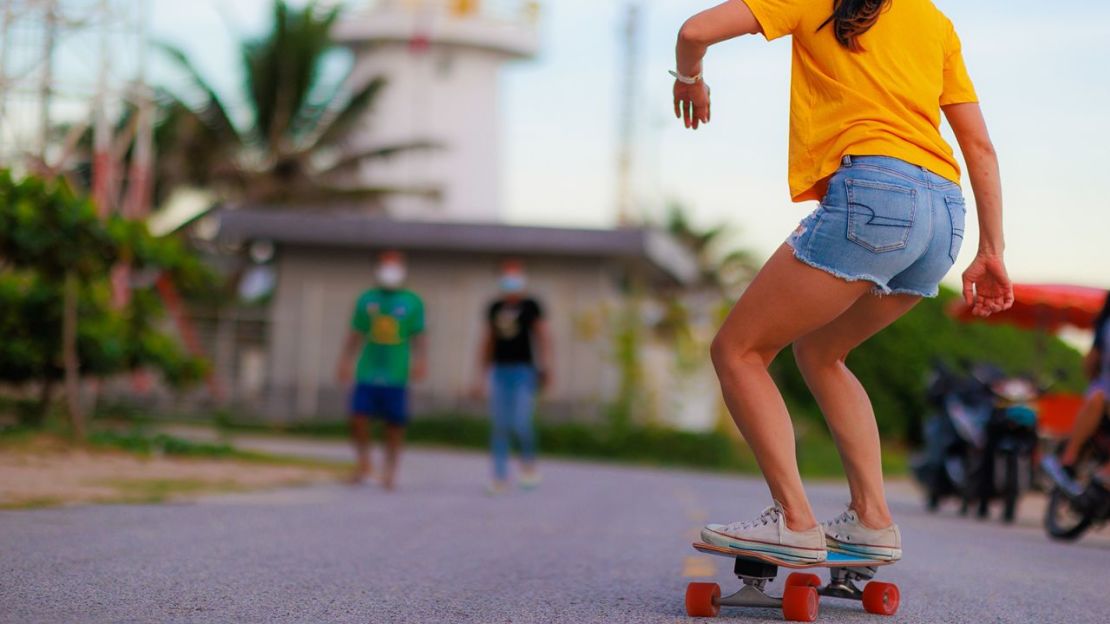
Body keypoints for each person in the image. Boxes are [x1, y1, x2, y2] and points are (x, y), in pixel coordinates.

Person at [673, 0, 1013, 563]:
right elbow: (979, 145)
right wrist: (993, 251)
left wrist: (690, 80)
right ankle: (873, 519)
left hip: (876, 193)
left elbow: (694, 30)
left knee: (738, 351)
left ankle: (794, 520)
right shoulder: (933, 20)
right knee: (823, 353)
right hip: (944, 216)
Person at [336, 250, 427, 490]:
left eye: (395, 266)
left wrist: (421, 362)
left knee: (394, 424)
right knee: (358, 417)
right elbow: (356, 332)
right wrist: (345, 361)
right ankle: (364, 464)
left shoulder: (412, 302)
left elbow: (419, 335)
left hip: (397, 373)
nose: (390, 271)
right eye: (386, 266)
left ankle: (390, 470)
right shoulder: (367, 300)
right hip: (367, 370)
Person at [472, 260, 552, 494]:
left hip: (523, 370)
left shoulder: (531, 306)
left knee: (521, 421)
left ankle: (528, 466)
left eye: (515, 276)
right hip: (500, 370)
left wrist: (545, 367)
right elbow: (487, 341)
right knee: (500, 424)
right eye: (507, 276)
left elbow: (543, 337)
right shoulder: (495, 307)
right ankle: (499, 476)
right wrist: (480, 375)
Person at [1043, 291, 1110, 511]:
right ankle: (1070, 459)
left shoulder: (1104, 323)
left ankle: (1070, 459)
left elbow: (1091, 363)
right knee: (1099, 397)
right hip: (1103, 392)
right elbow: (1091, 364)